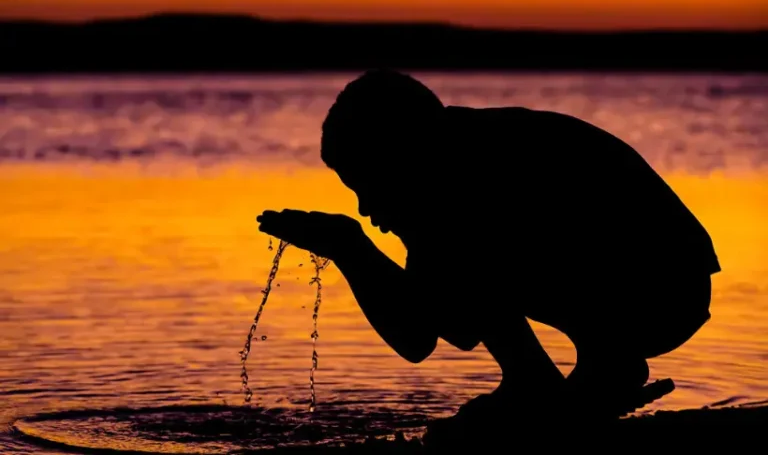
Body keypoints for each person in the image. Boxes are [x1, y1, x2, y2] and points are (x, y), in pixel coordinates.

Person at [256, 69, 719, 426]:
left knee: (474, 250)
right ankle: (595, 369)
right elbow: (427, 330)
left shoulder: (460, 174)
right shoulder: (447, 155)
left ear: (398, 155)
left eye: (367, 185)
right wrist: (349, 247)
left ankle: (542, 381)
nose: (365, 207)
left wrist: (352, 248)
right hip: (661, 286)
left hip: (662, 290)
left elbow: (428, 330)